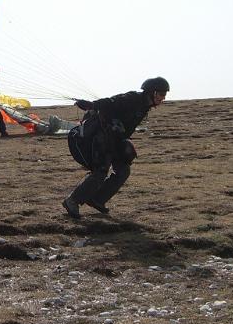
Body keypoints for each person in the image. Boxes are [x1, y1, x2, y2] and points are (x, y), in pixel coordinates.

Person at [62, 77, 170, 219]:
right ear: (152, 92)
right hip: (102, 136)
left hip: (116, 139)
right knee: (100, 171)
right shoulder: (133, 98)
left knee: (123, 170)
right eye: (161, 94)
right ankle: (72, 201)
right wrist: (92, 105)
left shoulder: (145, 106)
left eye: (164, 95)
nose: (163, 98)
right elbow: (111, 102)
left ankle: (97, 199)